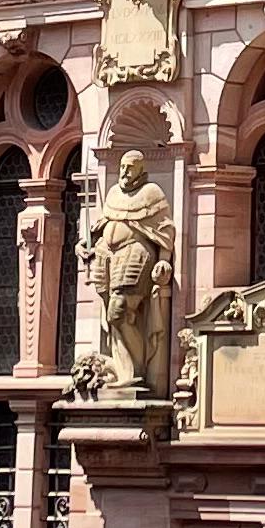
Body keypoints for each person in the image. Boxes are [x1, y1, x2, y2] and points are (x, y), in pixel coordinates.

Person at [82, 154, 176, 397]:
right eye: (122, 166)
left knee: (119, 311)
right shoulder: (113, 193)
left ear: (141, 169)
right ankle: (123, 371)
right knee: (112, 314)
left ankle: (137, 371)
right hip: (107, 254)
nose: (124, 172)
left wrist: (164, 261)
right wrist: (86, 244)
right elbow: (101, 225)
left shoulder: (152, 193)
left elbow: (165, 230)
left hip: (135, 252)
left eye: (130, 168)